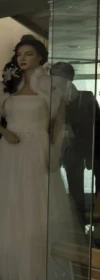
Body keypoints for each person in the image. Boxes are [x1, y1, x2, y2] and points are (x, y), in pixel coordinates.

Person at [0, 36, 82, 280]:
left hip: (37, 150)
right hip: (10, 153)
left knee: (36, 209)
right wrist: (6, 132)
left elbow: (59, 126)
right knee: (8, 209)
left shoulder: (53, 86)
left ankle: (35, 275)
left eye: (28, 53)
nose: (22, 58)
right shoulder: (5, 87)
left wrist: (54, 155)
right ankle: (6, 273)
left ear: (40, 56)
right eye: (19, 54)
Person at [51, 61, 100, 219]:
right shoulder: (50, 98)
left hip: (77, 148)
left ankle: (79, 219)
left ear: (69, 79)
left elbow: (95, 127)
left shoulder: (85, 98)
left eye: (60, 77)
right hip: (57, 146)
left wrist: (92, 155)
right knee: (63, 184)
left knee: (76, 184)